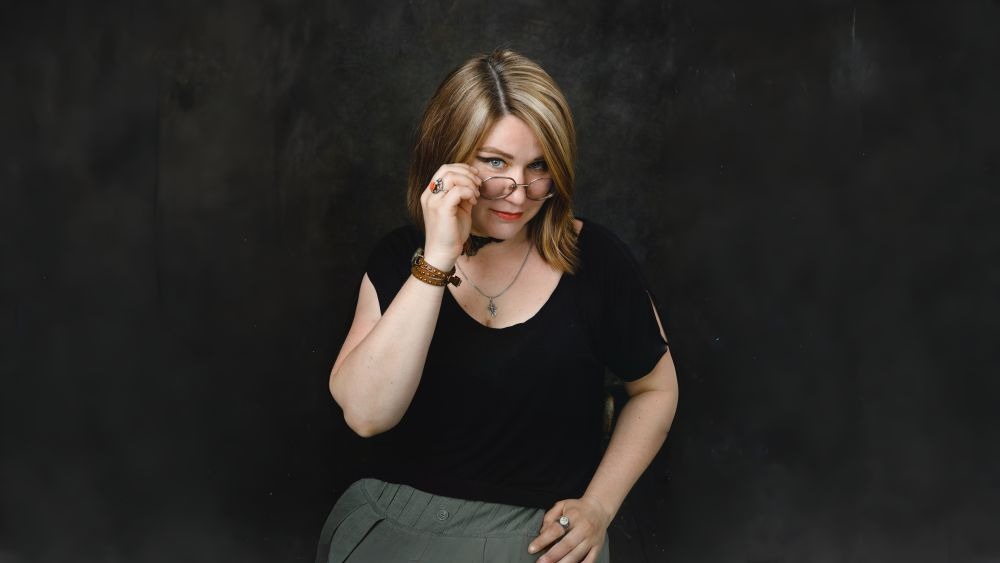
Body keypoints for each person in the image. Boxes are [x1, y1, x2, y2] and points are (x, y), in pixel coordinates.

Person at [317, 49, 678, 563]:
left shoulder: (596, 261)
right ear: (449, 156)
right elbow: (367, 415)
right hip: (395, 527)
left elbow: (656, 390)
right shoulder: (400, 257)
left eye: (539, 166)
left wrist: (598, 506)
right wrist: (437, 258)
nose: (519, 193)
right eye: (494, 162)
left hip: (533, 541)